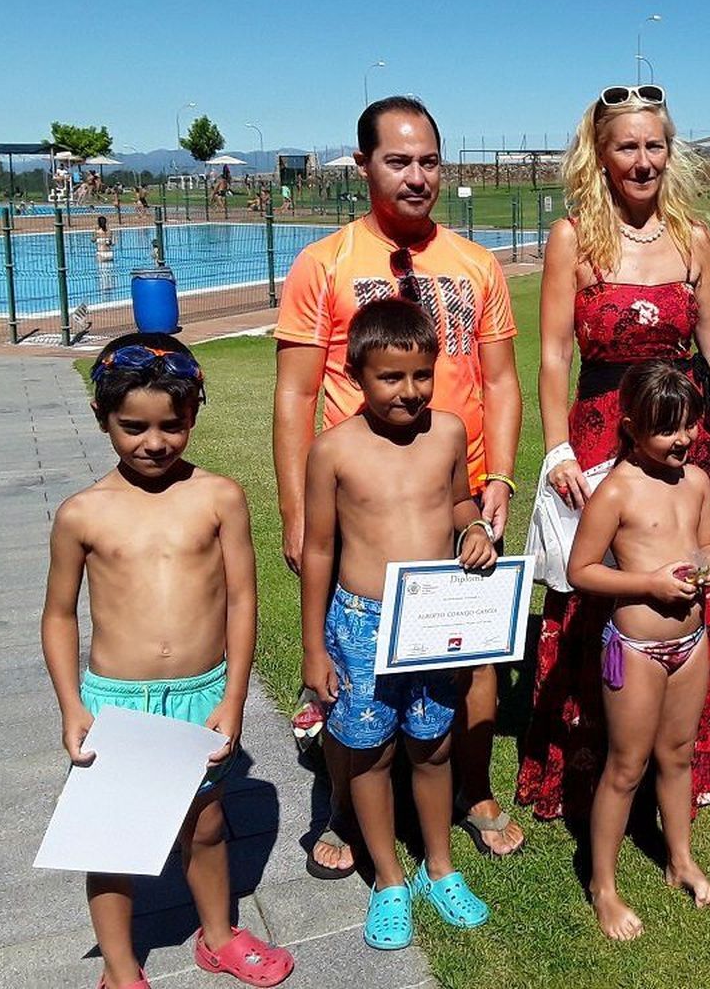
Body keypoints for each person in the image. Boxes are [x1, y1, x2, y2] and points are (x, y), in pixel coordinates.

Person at [274, 95, 523, 876]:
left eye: (428, 161)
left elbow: (503, 381)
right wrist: (293, 509)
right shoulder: (326, 263)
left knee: (468, 659)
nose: (418, 177)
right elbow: (293, 393)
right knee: (357, 675)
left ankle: (471, 792)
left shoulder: (477, 264)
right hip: (361, 503)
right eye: (398, 161)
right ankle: (346, 810)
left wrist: (500, 483)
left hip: (456, 496)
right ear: (364, 166)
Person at [517, 83, 710, 821]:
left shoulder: (693, 237)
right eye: (628, 145)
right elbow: (555, 354)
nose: (644, 159)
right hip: (599, 437)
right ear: (601, 154)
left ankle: (687, 750)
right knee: (597, 590)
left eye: (655, 145)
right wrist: (556, 448)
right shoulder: (574, 238)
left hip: (690, 439)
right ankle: (595, 757)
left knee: (693, 574)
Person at [41, 335, 294, 989]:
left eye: (171, 425)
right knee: (111, 841)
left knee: (206, 826)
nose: (154, 441)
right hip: (116, 705)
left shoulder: (219, 498)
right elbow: (60, 615)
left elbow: (242, 601)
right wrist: (73, 707)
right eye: (133, 427)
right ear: (102, 419)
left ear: (192, 416)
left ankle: (217, 935)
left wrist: (233, 698)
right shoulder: (81, 515)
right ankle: (121, 970)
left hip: (198, 693)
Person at [299, 299, 496, 946]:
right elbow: (320, 551)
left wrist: (472, 527)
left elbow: (459, 497)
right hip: (360, 624)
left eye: (421, 375)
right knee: (369, 751)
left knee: (433, 745)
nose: (409, 391)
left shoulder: (447, 434)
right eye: (391, 377)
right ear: (357, 374)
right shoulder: (332, 451)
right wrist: (314, 649)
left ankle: (438, 867)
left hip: (431, 618)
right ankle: (388, 878)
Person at [568, 362, 710, 940]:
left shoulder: (697, 481)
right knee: (626, 765)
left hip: (690, 641)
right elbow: (579, 571)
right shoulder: (615, 490)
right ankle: (603, 886)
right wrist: (648, 584)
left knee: (678, 756)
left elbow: (709, 541)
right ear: (632, 428)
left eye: (689, 426)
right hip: (634, 647)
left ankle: (679, 858)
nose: (683, 439)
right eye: (667, 431)